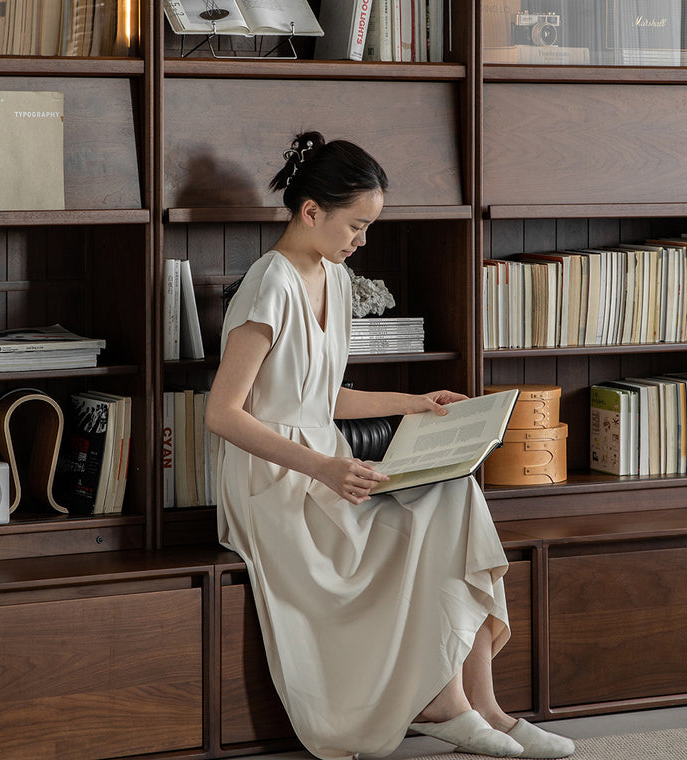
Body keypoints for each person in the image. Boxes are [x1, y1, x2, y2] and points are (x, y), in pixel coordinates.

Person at [205, 131, 575, 760]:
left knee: (454, 497)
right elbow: (223, 414)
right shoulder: (270, 283)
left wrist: (417, 403)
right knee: (428, 525)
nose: (361, 240)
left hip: (328, 464)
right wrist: (322, 466)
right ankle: (445, 707)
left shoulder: (336, 278)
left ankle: (485, 709)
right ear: (311, 211)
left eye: (370, 227)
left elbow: (324, 399)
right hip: (272, 479)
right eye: (356, 224)